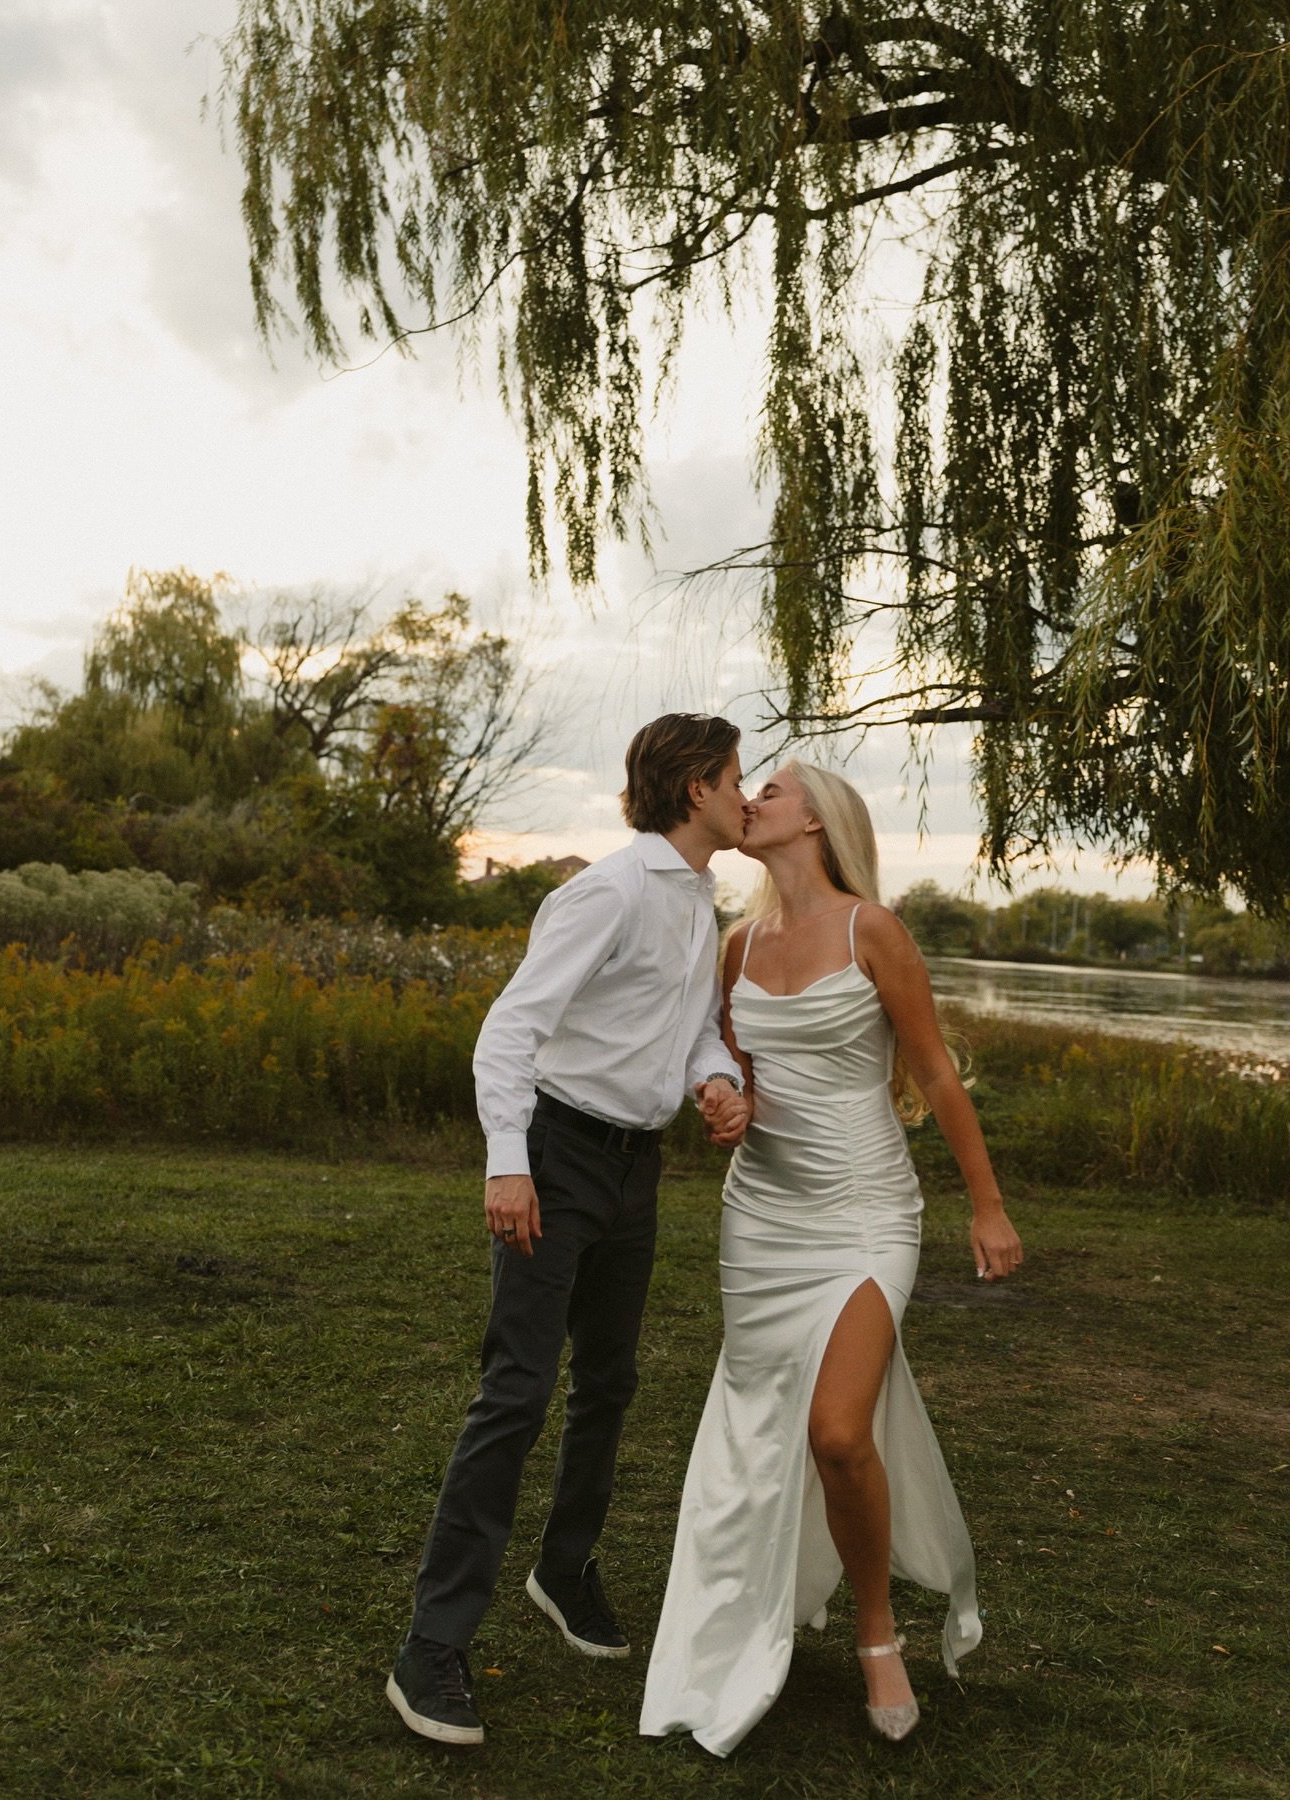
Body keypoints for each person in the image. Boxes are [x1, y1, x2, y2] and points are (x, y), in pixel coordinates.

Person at [640, 761, 1023, 1757]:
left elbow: (933, 1069)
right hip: (762, 1220)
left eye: (768, 789)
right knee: (767, 1431)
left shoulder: (873, 932)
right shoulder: (735, 945)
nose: (749, 800)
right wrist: (725, 1102)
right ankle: (744, 1613)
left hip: (865, 1215)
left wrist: (986, 1206)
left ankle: (874, 1632)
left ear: (814, 819)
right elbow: (729, 1070)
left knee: (839, 1431)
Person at [387, 712, 753, 1747]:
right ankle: (432, 1646)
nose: (744, 792)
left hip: (637, 1172)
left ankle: (564, 1567)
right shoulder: (609, 891)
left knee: (611, 1381)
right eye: (735, 776)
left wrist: (717, 1083)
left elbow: (681, 1035)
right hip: (558, 1160)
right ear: (693, 787)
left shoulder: (697, 897)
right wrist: (509, 1161)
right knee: (516, 1391)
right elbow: (510, 1029)